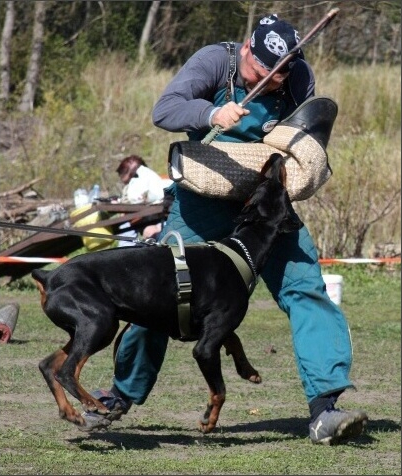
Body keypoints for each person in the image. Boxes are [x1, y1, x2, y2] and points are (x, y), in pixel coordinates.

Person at [83, 14, 368, 444]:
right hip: (203, 201)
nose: (270, 81)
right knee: (157, 293)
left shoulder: (296, 76)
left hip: (268, 203)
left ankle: (325, 408)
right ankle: (119, 396)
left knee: (305, 287)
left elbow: (303, 136)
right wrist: (212, 111)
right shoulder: (216, 61)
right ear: (249, 49)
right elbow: (166, 109)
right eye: (261, 72)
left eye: (281, 74)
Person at [114, 155, 170, 246]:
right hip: (146, 225)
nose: (128, 187)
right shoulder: (133, 196)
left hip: (166, 224)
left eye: (129, 182)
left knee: (150, 233)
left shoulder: (163, 184)